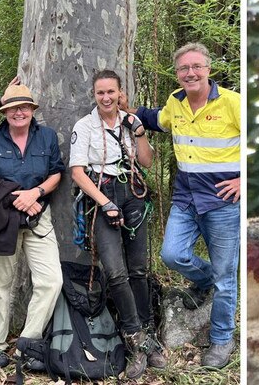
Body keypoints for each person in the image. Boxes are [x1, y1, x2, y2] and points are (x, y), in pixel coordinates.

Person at [136, 42, 240, 368]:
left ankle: (222, 339)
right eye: (184, 68)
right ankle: (204, 279)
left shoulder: (233, 103)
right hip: (187, 196)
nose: (191, 73)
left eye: (197, 66)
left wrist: (244, 181)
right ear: (178, 73)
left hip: (223, 201)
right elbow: (159, 121)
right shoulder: (176, 102)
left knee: (227, 278)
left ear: (208, 69)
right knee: (172, 254)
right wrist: (129, 110)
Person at [69, 69, 167, 380]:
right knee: (115, 271)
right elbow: (77, 172)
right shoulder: (84, 126)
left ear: (119, 92)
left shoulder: (130, 123)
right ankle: (134, 338)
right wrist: (105, 203)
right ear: (94, 95)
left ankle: (149, 333)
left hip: (132, 192)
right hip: (102, 195)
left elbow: (148, 162)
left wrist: (138, 133)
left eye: (111, 92)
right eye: (100, 93)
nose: (106, 98)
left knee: (138, 268)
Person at [0, 84, 65, 370]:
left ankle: (27, 343)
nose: (19, 112)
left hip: (40, 218)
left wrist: (35, 194)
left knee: (52, 281)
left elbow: (56, 173)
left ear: (32, 110)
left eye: (24, 107)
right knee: (1, 284)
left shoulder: (46, 136)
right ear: (4, 112)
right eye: (13, 108)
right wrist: (21, 199)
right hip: (3, 220)